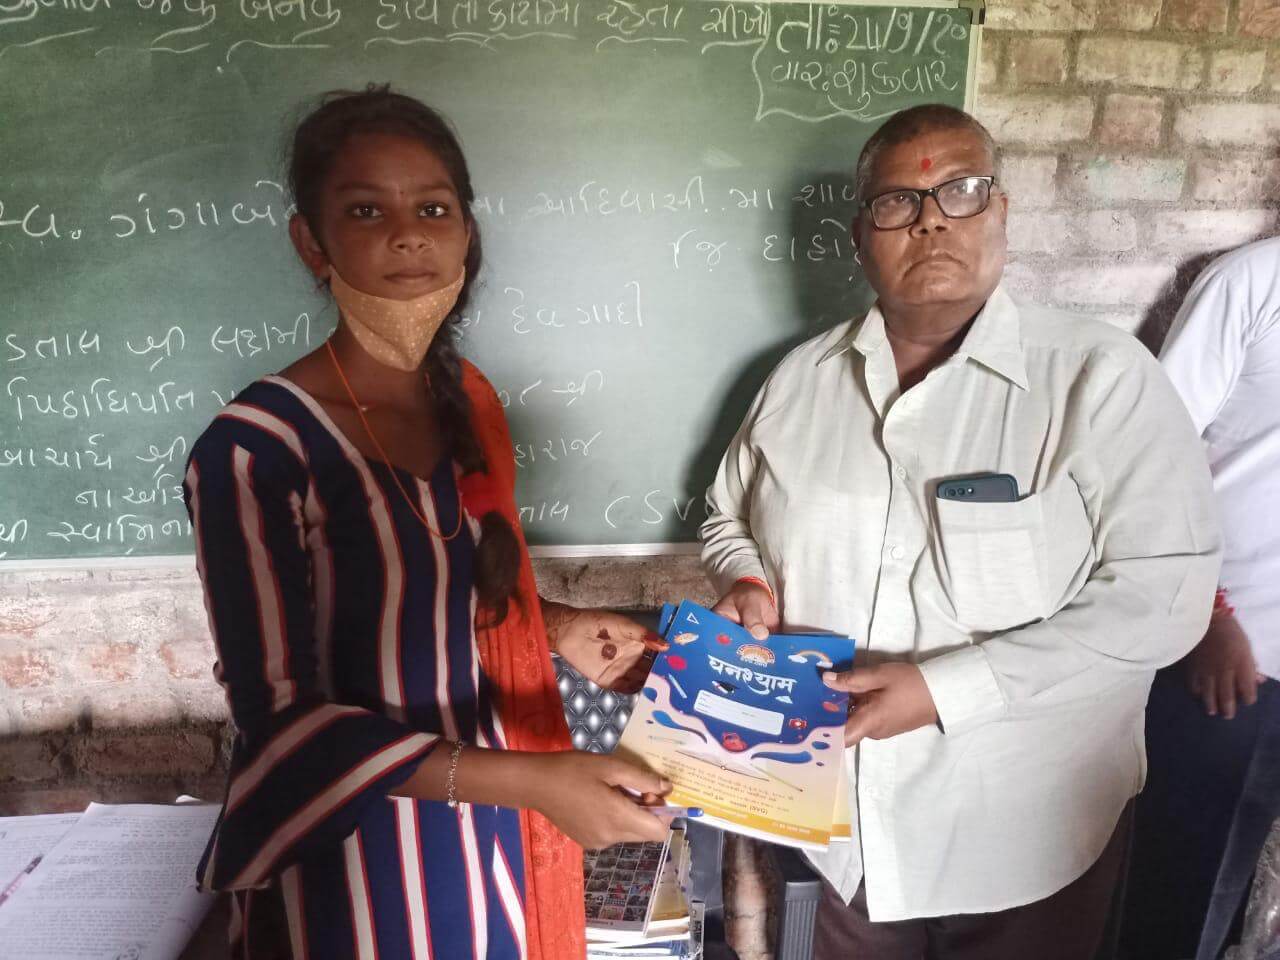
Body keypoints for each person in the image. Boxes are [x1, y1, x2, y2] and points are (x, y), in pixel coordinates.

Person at [699, 104, 1221, 960]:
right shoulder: (799, 381)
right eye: (897, 201)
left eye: (961, 191)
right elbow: (728, 516)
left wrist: (946, 690)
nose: (931, 219)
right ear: (860, 236)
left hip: (1027, 831)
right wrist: (748, 579)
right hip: (836, 824)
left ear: (1001, 211)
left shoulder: (1098, 378)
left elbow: (1164, 599)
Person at [184, 86, 671, 960]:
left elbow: (427, 594)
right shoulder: (256, 447)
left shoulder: (465, 403)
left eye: (433, 208)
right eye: (366, 210)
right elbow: (280, 725)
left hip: (487, 836)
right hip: (352, 858)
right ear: (311, 243)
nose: (408, 234)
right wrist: (534, 784)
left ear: (466, 233)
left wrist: (554, 627)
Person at [1121, 235, 1280, 960]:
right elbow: (1151, 455)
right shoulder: (1254, 282)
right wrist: (1206, 613)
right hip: (1236, 666)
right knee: (1184, 899)